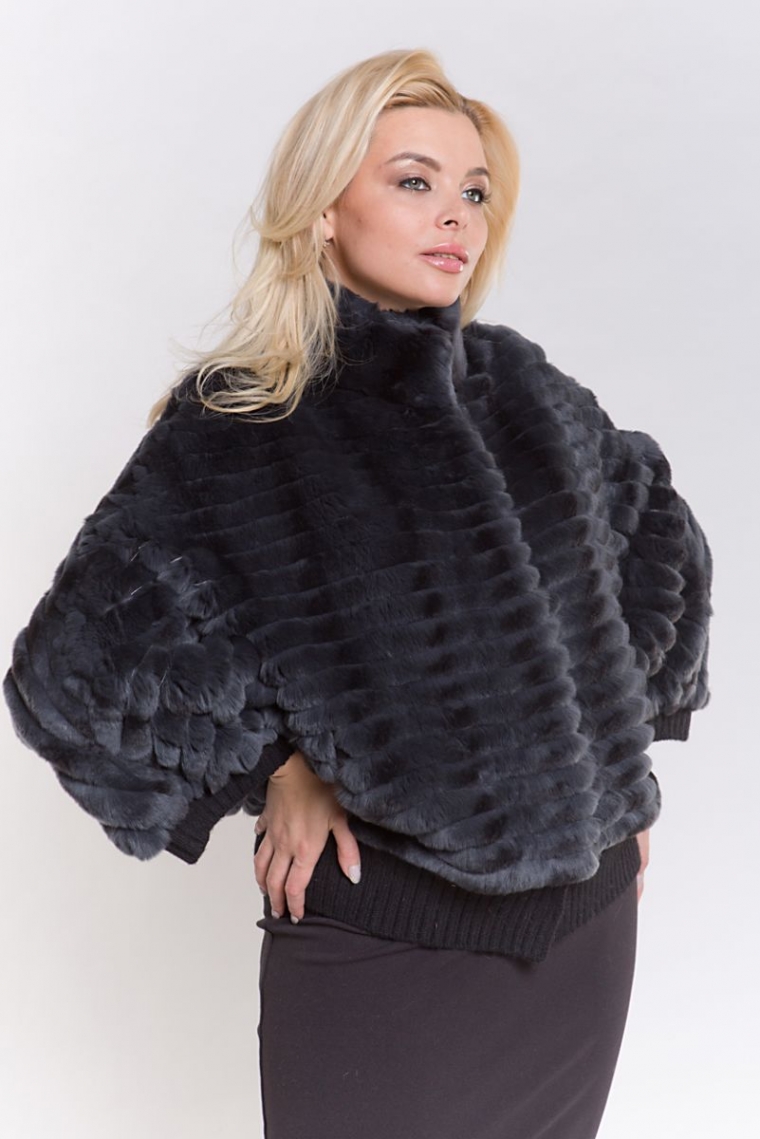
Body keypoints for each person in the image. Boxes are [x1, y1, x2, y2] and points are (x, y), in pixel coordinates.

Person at [4, 48, 712, 1139]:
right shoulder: (244, 419)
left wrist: (616, 772)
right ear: (325, 210)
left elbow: (657, 542)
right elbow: (79, 670)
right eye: (413, 181)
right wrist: (273, 767)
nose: (456, 215)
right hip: (383, 940)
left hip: (583, 941)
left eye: (473, 190)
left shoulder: (530, 391)